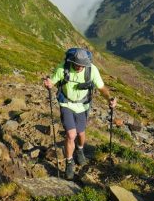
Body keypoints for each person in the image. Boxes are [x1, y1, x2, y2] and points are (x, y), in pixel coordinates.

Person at [43, 48, 117, 180]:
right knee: (71, 134)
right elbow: (52, 82)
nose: (79, 67)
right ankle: (69, 162)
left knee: (81, 133)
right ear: (72, 62)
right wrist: (49, 84)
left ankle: (80, 149)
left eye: (82, 65)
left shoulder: (91, 70)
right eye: (77, 65)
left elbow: (102, 88)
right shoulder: (62, 68)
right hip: (66, 103)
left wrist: (109, 99)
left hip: (83, 105)